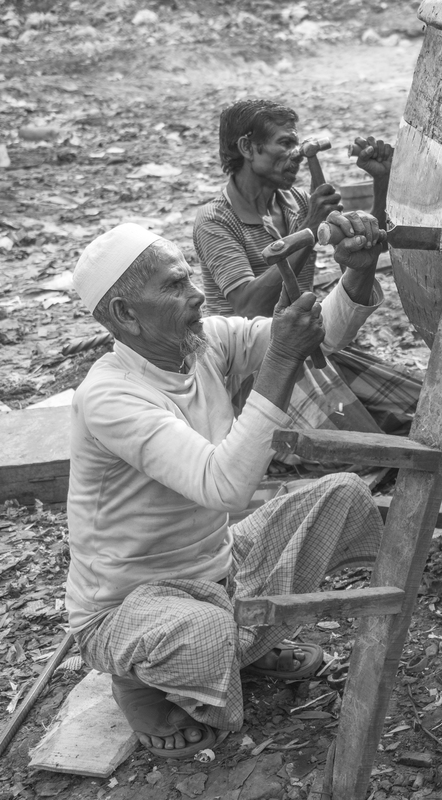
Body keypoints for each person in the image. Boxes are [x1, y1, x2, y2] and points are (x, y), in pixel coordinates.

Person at [64, 214, 386, 759]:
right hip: (129, 607)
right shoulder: (109, 398)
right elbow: (226, 487)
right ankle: (137, 678)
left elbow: (320, 335)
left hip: (220, 568)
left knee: (344, 494)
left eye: (189, 276)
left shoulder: (203, 342)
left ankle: (237, 649)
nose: (196, 294)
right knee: (206, 632)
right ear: (125, 314)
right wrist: (281, 358)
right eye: (175, 285)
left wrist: (357, 273)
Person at [193, 98, 418, 436]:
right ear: (247, 148)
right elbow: (248, 307)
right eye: (285, 143)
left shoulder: (297, 202)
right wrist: (309, 230)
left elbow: (369, 244)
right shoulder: (215, 220)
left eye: (297, 143)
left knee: (416, 406)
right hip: (247, 366)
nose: (297, 154)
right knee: (360, 440)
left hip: (304, 342)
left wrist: (382, 180)